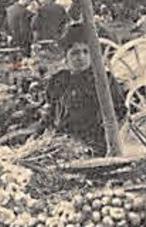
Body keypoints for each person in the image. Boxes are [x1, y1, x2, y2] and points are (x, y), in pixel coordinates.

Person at [35, 23, 124, 155]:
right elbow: (49, 114)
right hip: (60, 143)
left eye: (85, 52)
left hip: (93, 144)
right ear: (66, 57)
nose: (81, 57)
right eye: (75, 53)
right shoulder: (58, 81)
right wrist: (37, 137)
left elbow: (120, 112)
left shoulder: (103, 80)